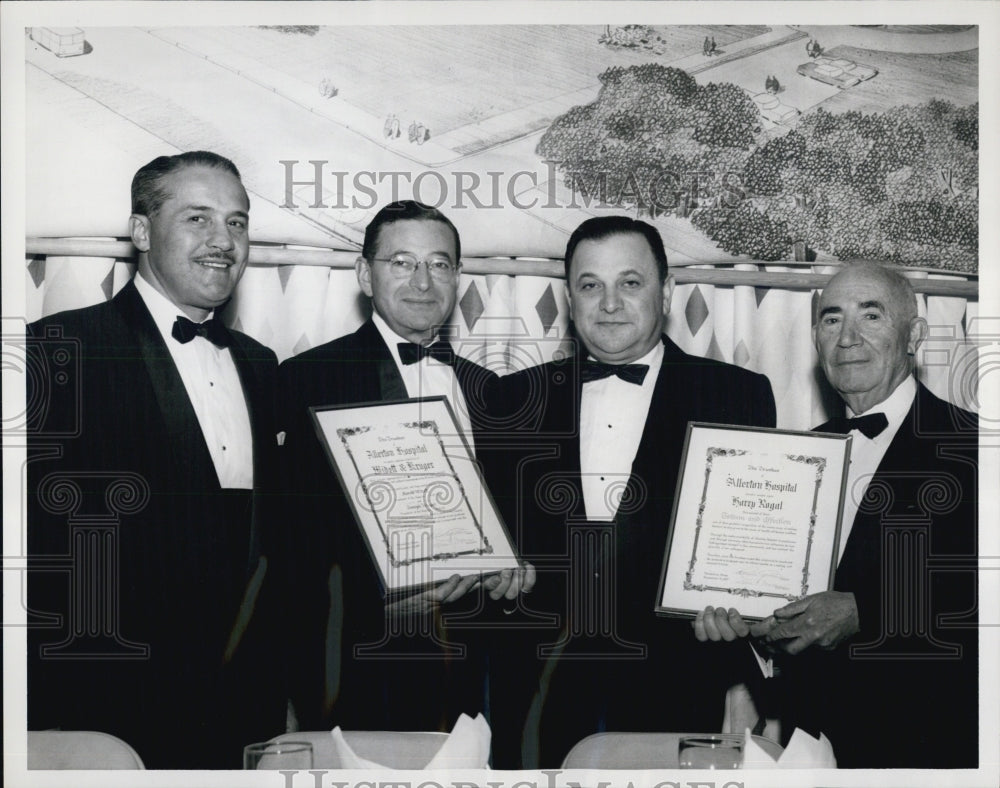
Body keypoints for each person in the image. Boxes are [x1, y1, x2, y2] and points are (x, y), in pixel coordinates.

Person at [482, 216, 776, 766]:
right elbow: (491, 544)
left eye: (630, 282)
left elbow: (752, 555)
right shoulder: (511, 398)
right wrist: (495, 570)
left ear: (666, 292)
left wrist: (743, 681)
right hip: (537, 689)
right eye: (591, 285)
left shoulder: (736, 395)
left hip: (681, 682)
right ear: (570, 299)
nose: (610, 303)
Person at [26, 151, 285, 768]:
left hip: (242, 703)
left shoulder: (262, 364)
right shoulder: (58, 349)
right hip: (105, 706)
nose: (223, 240)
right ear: (141, 232)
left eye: (237, 222)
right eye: (198, 218)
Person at [694, 263, 978, 768]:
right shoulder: (794, 457)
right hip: (810, 746)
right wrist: (753, 628)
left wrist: (867, 611)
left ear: (914, 336)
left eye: (871, 315)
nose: (847, 337)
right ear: (815, 339)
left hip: (934, 747)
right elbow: (783, 613)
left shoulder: (976, 448)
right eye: (831, 319)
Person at [278, 200, 533, 735]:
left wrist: (517, 569)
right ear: (364, 275)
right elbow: (289, 546)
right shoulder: (308, 378)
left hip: (478, 675)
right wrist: (382, 602)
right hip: (359, 670)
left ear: (458, 278)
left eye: (439, 264)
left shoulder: (493, 390)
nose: (422, 281)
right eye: (401, 263)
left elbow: (514, 524)